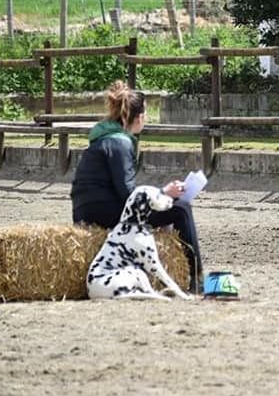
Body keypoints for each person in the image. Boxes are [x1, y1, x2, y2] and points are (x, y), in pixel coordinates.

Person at [71, 80, 203, 293]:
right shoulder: (120, 142)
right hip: (105, 212)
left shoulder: (103, 137)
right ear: (139, 117)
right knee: (181, 210)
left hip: (85, 210)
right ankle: (197, 278)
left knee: (170, 206)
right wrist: (163, 193)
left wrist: (161, 193)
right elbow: (127, 194)